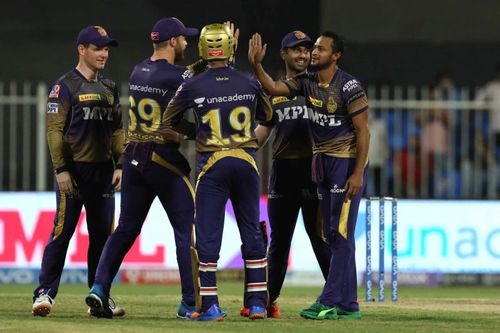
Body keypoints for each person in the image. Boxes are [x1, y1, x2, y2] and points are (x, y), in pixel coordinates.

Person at [85, 17, 203, 319]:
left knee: (125, 229)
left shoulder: (140, 69)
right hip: (162, 158)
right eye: (184, 39)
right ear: (173, 42)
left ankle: (99, 287)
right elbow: (202, 82)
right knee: (184, 230)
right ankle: (190, 302)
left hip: (134, 159)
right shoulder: (175, 75)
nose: (187, 43)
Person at [249, 31, 370, 320]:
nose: (311, 53)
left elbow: (364, 130)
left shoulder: (349, 85)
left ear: (336, 55)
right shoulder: (307, 83)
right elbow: (273, 89)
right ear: (285, 54)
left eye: (317, 48)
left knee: (334, 236)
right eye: (308, 48)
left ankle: (330, 299)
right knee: (331, 234)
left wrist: (358, 173)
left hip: (340, 165)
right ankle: (347, 303)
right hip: (316, 167)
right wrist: (255, 65)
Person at [162, 23, 272, 321]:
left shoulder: (192, 85)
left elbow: (167, 120)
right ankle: (258, 304)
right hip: (246, 162)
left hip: (212, 165)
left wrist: (195, 130)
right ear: (230, 48)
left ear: (202, 49)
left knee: (208, 235)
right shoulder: (249, 81)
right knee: (251, 230)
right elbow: (270, 115)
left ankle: (209, 305)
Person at [32, 26, 125, 317]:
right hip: (72, 173)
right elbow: (54, 130)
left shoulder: (109, 88)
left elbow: (118, 130)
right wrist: (61, 169)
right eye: (98, 48)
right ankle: (44, 294)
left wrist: (121, 164)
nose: (104, 54)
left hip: (104, 173)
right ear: (81, 50)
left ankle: (99, 297)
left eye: (106, 49)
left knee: (102, 238)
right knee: (62, 233)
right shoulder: (65, 86)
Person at [240, 31, 331, 319]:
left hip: (313, 171)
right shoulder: (272, 91)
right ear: (283, 54)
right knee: (280, 240)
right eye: (296, 50)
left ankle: (337, 297)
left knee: (319, 236)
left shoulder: (316, 85)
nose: (302, 55)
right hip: (283, 172)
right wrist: (239, 148)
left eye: (306, 50)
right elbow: (263, 132)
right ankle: (268, 300)